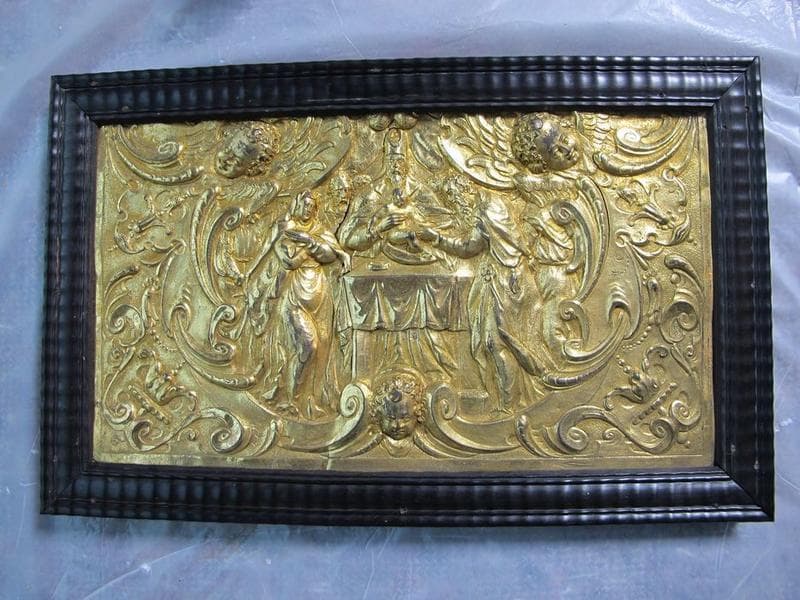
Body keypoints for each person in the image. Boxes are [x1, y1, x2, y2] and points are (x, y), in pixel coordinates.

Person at [417, 179, 538, 413]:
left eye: (454, 197)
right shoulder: (483, 209)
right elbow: (472, 246)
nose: (455, 203)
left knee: (498, 342)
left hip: (506, 280)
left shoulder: (490, 208)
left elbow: (478, 246)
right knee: (490, 343)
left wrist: (437, 238)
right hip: (493, 278)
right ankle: (504, 400)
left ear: (464, 190)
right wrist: (438, 239)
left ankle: (509, 404)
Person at [249, 190, 350, 418]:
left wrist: (309, 242)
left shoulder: (319, 230)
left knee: (322, 349)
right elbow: (289, 261)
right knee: (308, 345)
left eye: (312, 207)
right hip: (295, 295)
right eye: (305, 205)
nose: (308, 210)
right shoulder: (286, 228)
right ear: (297, 205)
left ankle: (311, 398)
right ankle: (292, 397)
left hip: (319, 294)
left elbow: (329, 255)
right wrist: (309, 251)